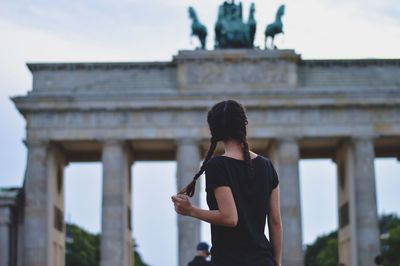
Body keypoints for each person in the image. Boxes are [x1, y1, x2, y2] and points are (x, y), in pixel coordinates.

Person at [172, 100, 282, 266]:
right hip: (263, 260)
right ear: (243, 125)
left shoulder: (218, 165)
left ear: (214, 131)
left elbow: (230, 217)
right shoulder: (267, 165)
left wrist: (191, 210)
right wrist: (277, 262)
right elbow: (275, 222)